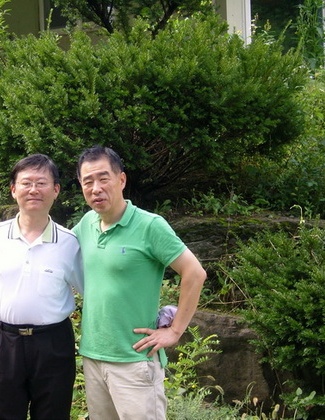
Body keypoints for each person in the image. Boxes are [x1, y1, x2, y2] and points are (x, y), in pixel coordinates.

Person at [72, 145, 207, 420]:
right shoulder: (86, 224)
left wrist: (175, 330)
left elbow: (195, 273)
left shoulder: (150, 225)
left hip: (135, 361)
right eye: (88, 182)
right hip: (93, 357)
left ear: (121, 179)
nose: (96, 188)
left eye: (103, 178)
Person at [0, 154, 84, 420]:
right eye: (26, 183)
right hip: (6, 343)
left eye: (42, 183)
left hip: (55, 344)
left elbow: (94, 294)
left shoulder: (70, 243)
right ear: (13, 190)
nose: (34, 190)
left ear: (56, 190)